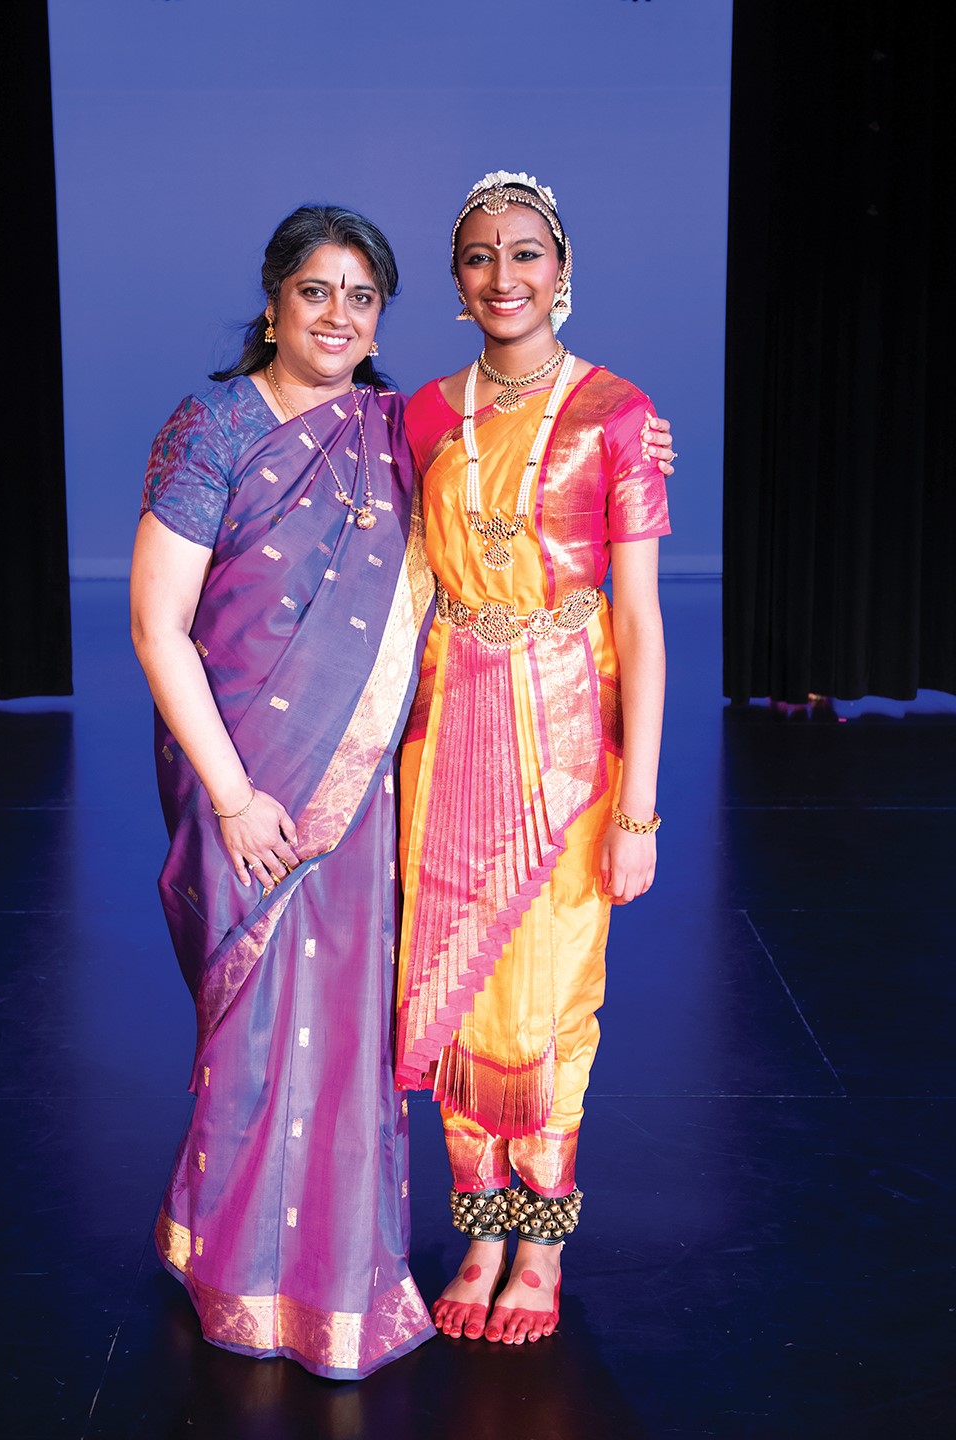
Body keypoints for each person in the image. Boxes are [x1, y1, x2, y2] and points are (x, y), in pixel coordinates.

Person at [130, 206, 437, 1379]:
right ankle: (232, 1261)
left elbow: (521, 466)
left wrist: (630, 443)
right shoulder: (211, 424)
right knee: (251, 1023)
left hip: (354, 790)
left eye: (363, 298)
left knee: (346, 1024)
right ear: (273, 302)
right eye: (318, 291)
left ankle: (336, 1276)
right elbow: (160, 628)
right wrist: (233, 795)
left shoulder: (395, 429)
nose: (340, 316)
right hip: (239, 780)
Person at [394, 171, 672, 1346]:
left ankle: (541, 1241)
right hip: (450, 729)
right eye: (477, 258)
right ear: (456, 285)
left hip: (567, 738)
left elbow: (645, 621)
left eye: (524, 254)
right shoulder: (418, 415)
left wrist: (640, 811)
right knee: (455, 985)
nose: (502, 277)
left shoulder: (618, 413)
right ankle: (480, 1230)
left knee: (552, 995)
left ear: (561, 268)